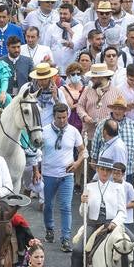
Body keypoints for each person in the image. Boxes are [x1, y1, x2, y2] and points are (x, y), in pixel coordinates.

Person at [70, 157, 134, 267]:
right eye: (102, 169)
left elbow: (122, 211)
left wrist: (115, 222)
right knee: (78, 250)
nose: (104, 173)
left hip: (113, 224)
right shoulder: (89, 187)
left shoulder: (118, 188)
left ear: (111, 172)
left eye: (108, 170)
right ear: (97, 169)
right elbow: (83, 213)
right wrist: (83, 202)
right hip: (94, 224)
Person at [40, 102, 85, 250]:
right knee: (48, 205)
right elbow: (36, 152)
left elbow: (82, 150)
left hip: (67, 175)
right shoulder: (44, 131)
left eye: (64, 117)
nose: (62, 120)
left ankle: (66, 239)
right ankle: (49, 229)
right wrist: (36, 171)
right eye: (59, 118)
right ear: (54, 116)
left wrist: (77, 163)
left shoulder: (73, 131)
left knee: (66, 207)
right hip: (48, 175)